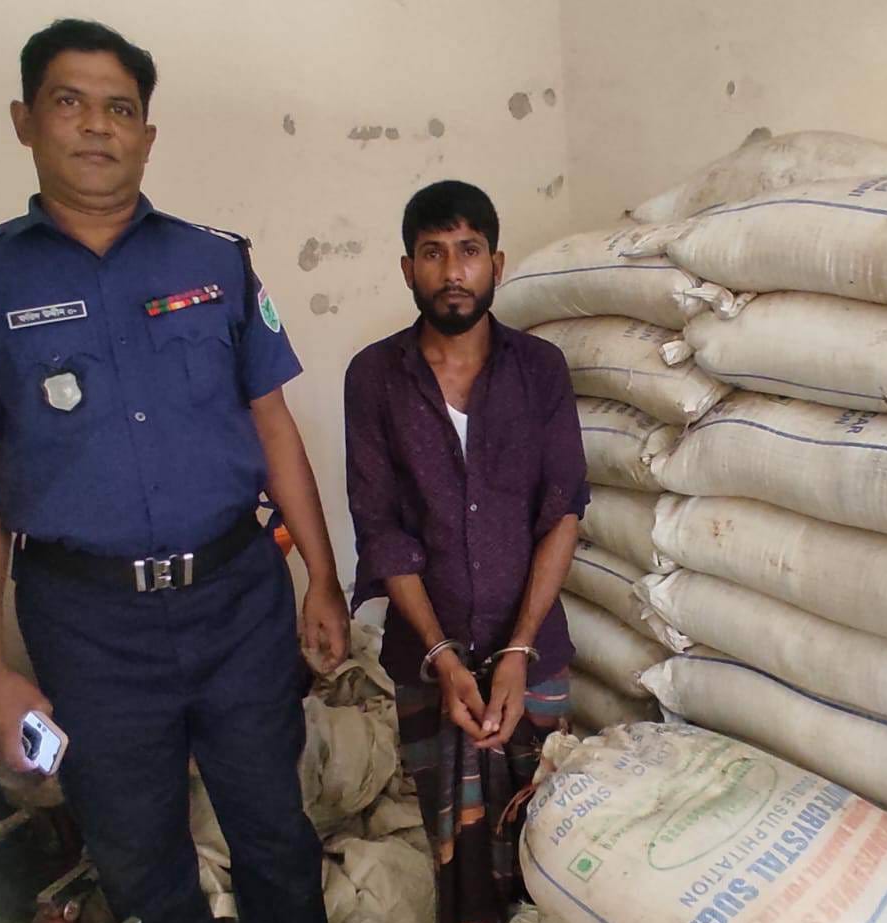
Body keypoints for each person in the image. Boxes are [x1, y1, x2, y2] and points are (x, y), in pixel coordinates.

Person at [0, 19, 347, 923]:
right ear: (24, 120)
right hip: (88, 625)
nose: (96, 126)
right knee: (139, 859)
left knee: (276, 832)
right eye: (68, 102)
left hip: (237, 598)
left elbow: (272, 424)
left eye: (119, 109)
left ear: (147, 135)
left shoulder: (215, 261)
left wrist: (322, 575)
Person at [343, 180, 587, 922]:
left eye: (469, 250)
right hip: (429, 660)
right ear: (408, 268)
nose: (453, 271)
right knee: (456, 851)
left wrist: (517, 649)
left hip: (533, 656)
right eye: (433, 253)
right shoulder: (374, 377)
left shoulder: (539, 370)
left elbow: (562, 511)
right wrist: (444, 656)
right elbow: (381, 530)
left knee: (547, 835)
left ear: (496, 264)